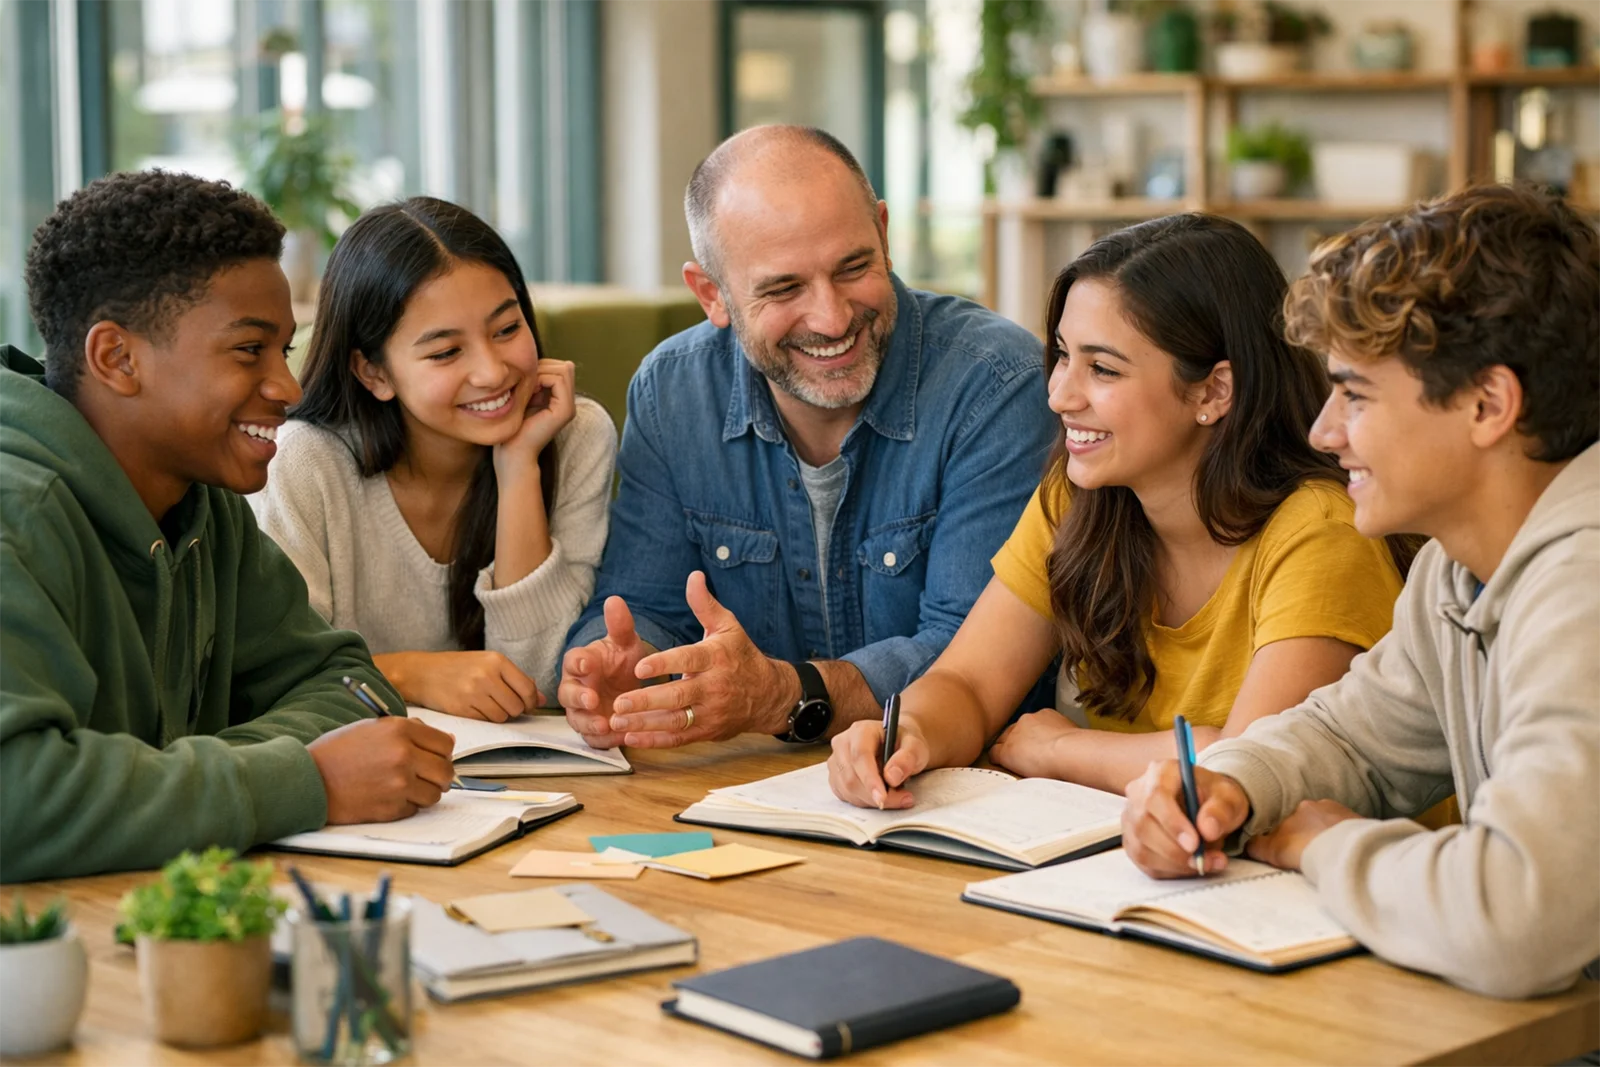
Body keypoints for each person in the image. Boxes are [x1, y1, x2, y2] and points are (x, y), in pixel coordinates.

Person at [1121, 184, 1600, 1005]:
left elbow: (1518, 921)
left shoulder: (1583, 584)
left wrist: (1325, 843)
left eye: (1357, 394)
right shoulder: (1460, 567)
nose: (1323, 430)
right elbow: (1353, 736)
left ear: (1488, 404)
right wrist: (1227, 787)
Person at [828, 214, 1408, 807]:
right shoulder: (1077, 498)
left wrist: (1062, 751)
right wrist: (905, 734)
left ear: (1212, 391)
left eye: (1102, 369)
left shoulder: (1323, 533)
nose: (1059, 395)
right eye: (1062, 356)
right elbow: (969, 684)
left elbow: (1249, 771)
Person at [0, 171, 456, 882]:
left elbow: (346, 682)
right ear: (117, 358)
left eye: (286, 349)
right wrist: (302, 780)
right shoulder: (15, 519)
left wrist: (199, 783)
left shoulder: (199, 499)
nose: (289, 388)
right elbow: (18, 798)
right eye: (250, 350)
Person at [559, 125, 1057, 750]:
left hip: (966, 790)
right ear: (711, 294)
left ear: (884, 233)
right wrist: (622, 667)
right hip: (754, 791)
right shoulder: (672, 391)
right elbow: (645, 609)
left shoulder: (997, 384)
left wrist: (782, 694)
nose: (833, 317)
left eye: (854, 267)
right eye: (785, 288)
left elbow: (972, 661)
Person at [251, 198, 616, 717]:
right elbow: (278, 677)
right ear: (373, 373)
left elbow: (539, 677)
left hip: (531, 787)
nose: (492, 372)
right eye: (446, 352)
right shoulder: (304, 462)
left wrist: (517, 470)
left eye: (507, 329)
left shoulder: (573, 433)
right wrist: (408, 674)